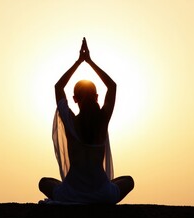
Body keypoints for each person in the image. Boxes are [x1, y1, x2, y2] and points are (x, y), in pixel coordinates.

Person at [39, 38, 134, 204]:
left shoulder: (70, 122)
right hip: (102, 195)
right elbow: (112, 86)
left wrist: (79, 62)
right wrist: (89, 61)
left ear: (75, 99)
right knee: (128, 181)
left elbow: (58, 87)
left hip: (71, 194)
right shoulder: (103, 120)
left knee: (44, 183)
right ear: (97, 97)